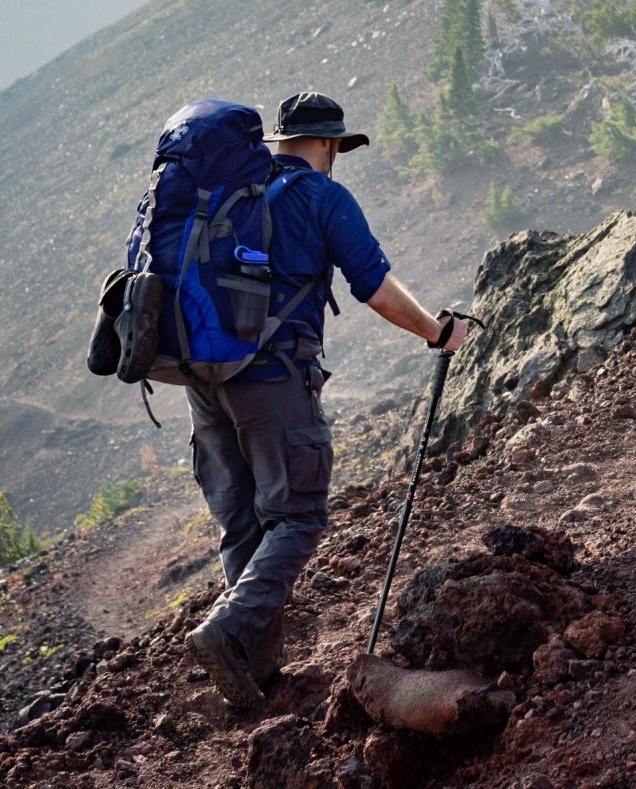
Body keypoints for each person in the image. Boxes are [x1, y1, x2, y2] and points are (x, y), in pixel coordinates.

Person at [185, 92, 468, 708]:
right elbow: (375, 287)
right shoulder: (322, 197)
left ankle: (254, 677)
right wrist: (438, 331)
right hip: (274, 378)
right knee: (299, 517)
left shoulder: (229, 195)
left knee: (245, 524)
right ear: (331, 144)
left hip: (204, 381)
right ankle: (228, 632)